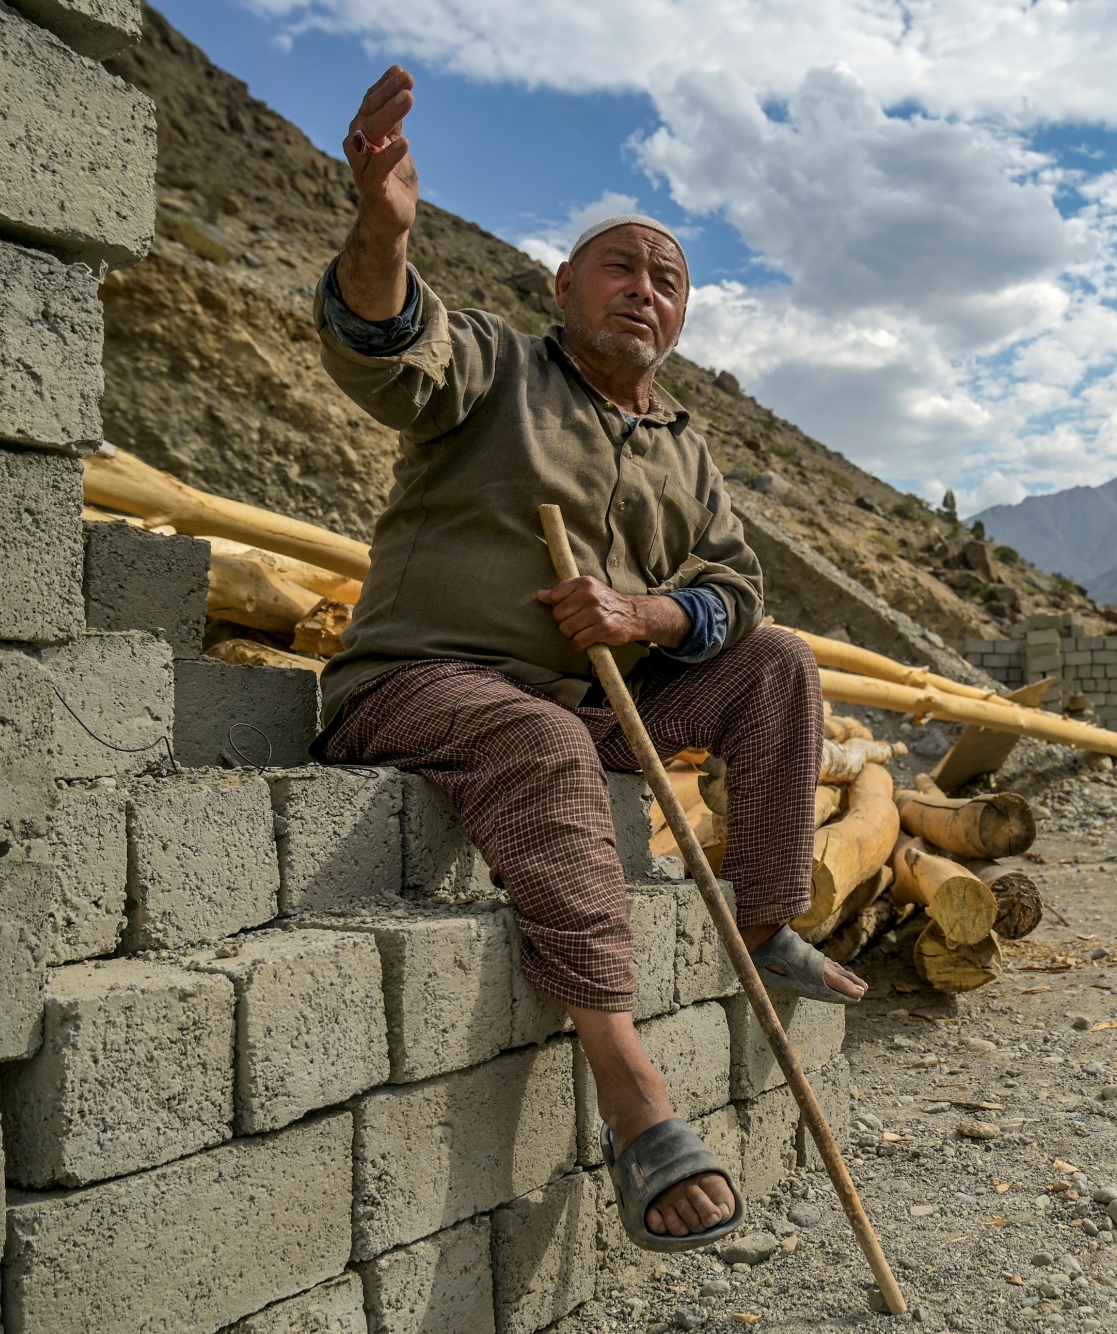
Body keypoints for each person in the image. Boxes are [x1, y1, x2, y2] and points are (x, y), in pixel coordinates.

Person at [311, 66, 865, 1253]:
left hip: (588, 692)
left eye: (668, 278)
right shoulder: (494, 367)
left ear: (681, 316)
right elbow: (382, 346)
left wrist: (646, 619)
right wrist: (383, 231)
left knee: (773, 660)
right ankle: (634, 1097)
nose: (645, 289)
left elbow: (732, 587)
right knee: (545, 735)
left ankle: (764, 921)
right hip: (419, 682)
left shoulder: (682, 446)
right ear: (563, 284)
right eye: (621, 265)